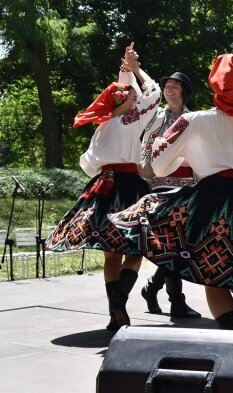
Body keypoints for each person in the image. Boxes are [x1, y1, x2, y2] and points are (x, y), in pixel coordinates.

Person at [109, 48, 233, 331]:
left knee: (211, 271)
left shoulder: (193, 120)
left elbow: (159, 165)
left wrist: (190, 154)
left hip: (211, 203)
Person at [47, 44, 161, 331]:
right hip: (130, 187)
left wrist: (125, 69)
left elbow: (88, 164)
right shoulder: (133, 120)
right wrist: (135, 69)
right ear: (126, 101)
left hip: (106, 185)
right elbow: (155, 93)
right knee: (136, 247)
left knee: (112, 251)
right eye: (132, 93)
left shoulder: (104, 126)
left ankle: (115, 311)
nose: (136, 93)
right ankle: (121, 297)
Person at [138, 71, 201, 319]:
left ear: (184, 90)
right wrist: (146, 172)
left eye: (175, 86)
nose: (169, 89)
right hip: (162, 187)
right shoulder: (157, 117)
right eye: (167, 86)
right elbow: (146, 145)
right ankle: (176, 302)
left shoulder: (192, 118)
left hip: (187, 187)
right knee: (173, 245)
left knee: (179, 246)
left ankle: (152, 288)